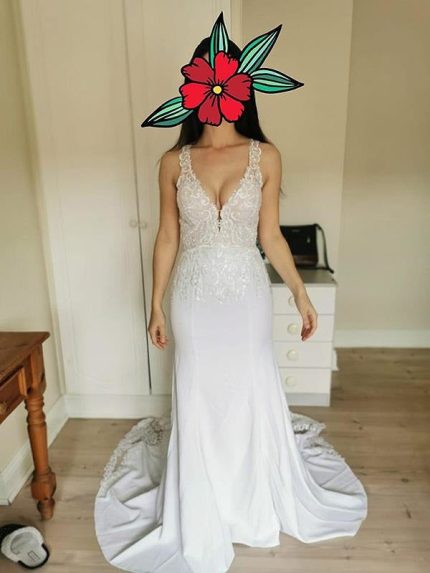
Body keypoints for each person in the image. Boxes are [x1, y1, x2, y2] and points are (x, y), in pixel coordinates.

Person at [94, 14, 368, 573]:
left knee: (246, 389)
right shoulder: (172, 162)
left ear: (243, 85)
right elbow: (167, 237)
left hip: (245, 293)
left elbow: (271, 236)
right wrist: (155, 303)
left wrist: (300, 293)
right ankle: (205, 506)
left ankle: (250, 502)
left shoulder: (266, 156)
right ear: (194, 86)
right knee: (199, 393)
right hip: (193, 297)